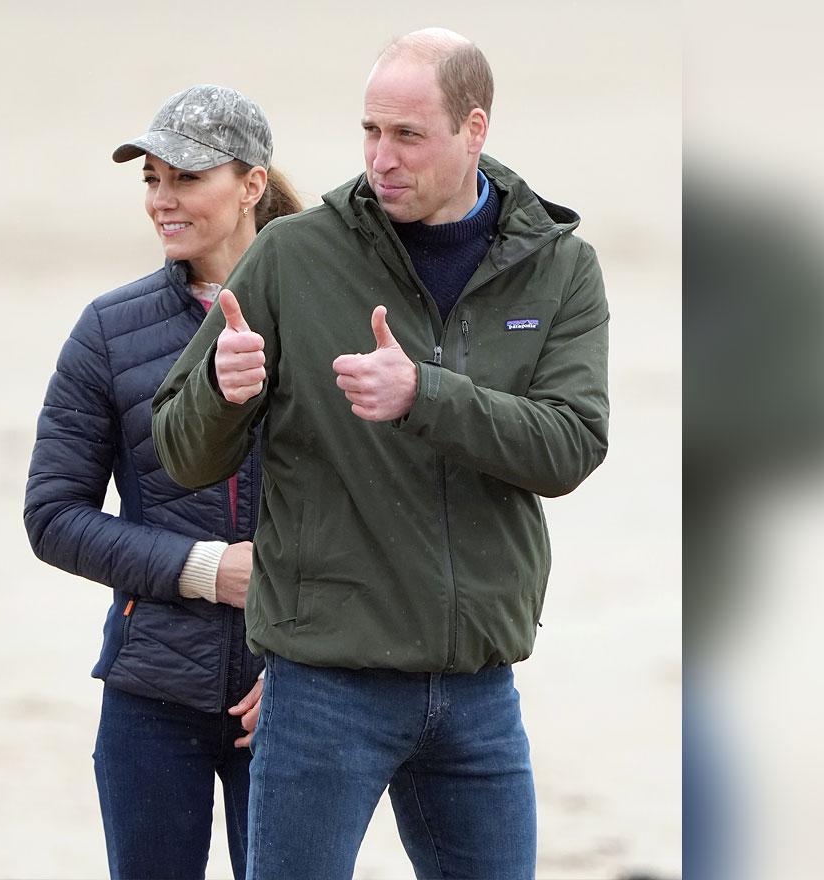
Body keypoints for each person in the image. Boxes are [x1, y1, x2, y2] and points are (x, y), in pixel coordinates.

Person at [153, 30, 609, 879]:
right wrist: (223, 389)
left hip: (478, 693)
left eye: (408, 135)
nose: (380, 158)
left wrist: (425, 397)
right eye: (370, 130)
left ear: (475, 129)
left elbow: (572, 445)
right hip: (326, 687)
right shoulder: (293, 255)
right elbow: (181, 452)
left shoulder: (559, 269)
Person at [23, 84, 302, 879]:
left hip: (298, 695)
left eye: (186, 177)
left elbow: (377, 508)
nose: (162, 199)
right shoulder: (109, 331)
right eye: (152, 178)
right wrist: (208, 571)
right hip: (150, 693)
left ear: (251, 185)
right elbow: (53, 516)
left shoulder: (328, 318)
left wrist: (299, 657)